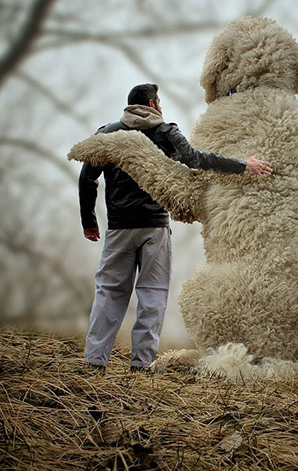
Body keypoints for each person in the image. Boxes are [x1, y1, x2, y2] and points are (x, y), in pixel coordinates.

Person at [78, 83, 272, 372]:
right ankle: (142, 366)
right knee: (152, 295)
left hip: (119, 229)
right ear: (154, 103)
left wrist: (89, 221)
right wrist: (244, 165)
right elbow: (196, 159)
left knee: (109, 292)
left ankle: (94, 361)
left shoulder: (107, 134)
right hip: (154, 228)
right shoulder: (165, 132)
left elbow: (87, 178)